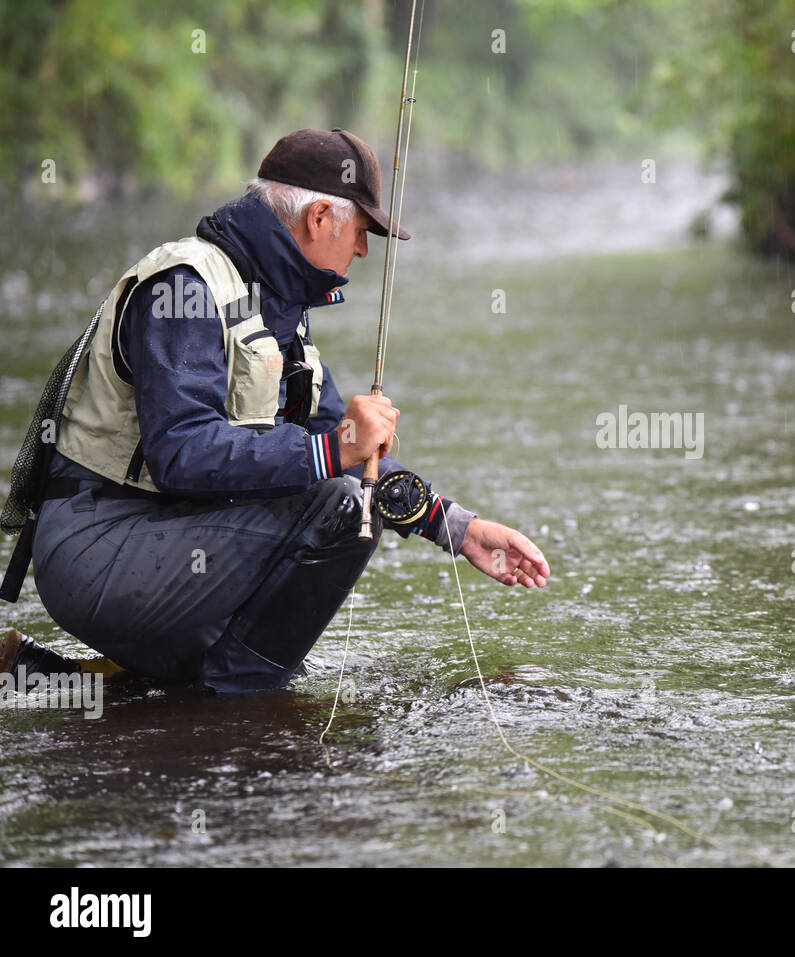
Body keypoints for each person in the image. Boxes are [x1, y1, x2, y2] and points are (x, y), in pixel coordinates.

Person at [0, 128, 549, 692]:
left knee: (302, 579)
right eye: (361, 232)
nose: (363, 250)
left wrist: (457, 527)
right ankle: (234, 704)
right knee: (341, 511)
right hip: (96, 550)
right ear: (317, 219)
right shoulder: (186, 289)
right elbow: (182, 455)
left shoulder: (275, 308)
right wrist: (336, 449)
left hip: (161, 540)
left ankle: (46, 676)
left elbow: (340, 448)